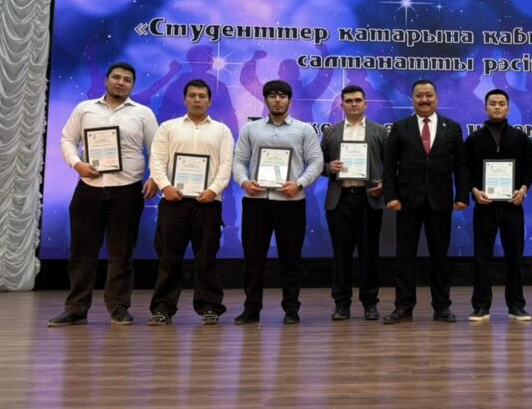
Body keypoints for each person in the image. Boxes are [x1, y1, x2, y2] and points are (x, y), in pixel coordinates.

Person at [49, 62, 158, 327]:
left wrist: (155, 176)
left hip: (127, 190)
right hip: (89, 189)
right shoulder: (85, 109)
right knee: (82, 252)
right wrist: (77, 164)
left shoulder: (143, 113)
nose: (121, 82)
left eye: (127, 79)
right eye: (116, 77)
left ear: (133, 85)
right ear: (106, 80)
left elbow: (157, 149)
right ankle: (76, 309)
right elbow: (67, 139)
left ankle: (119, 308)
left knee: (121, 254)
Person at [231, 80, 323, 325]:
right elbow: (238, 160)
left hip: (291, 202)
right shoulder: (251, 129)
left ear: (290, 101)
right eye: (272, 96)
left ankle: (291, 309)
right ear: (265, 100)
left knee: (291, 258)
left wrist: (299, 184)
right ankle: (251, 310)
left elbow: (316, 162)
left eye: (282, 96)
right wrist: (244, 182)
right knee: (253, 259)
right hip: (256, 201)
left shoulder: (304, 130)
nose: (278, 100)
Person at [146, 79, 234, 325]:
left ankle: (210, 307)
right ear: (185, 99)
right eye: (192, 95)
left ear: (209, 101)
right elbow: (157, 160)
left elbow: (226, 164)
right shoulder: (168, 127)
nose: (197, 99)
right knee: (168, 258)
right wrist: (165, 186)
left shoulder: (222, 131)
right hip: (174, 201)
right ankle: (162, 308)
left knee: (207, 258)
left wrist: (214, 189)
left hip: (208, 202)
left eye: (202, 96)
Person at [382, 79, 469, 324]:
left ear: (436, 98)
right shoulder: (400, 127)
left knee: (440, 256)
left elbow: (461, 166)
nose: (424, 100)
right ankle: (403, 307)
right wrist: (391, 196)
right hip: (407, 201)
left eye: (429, 95)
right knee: (405, 256)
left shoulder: (452, 127)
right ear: (412, 99)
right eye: (419, 95)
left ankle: (442, 307)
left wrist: (462, 195)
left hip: (440, 201)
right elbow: (389, 166)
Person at [464, 89, 532, 322]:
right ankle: (481, 307)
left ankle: (516, 306)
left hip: (513, 206)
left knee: (514, 257)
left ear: (508, 108)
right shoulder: (474, 139)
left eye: (501, 103)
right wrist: (474, 191)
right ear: (485, 108)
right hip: (484, 205)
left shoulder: (521, 138)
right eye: (492, 103)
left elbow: (529, 169)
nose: (497, 107)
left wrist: (523, 190)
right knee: (482, 258)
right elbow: (465, 170)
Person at [320, 85, 388, 321]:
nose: (354, 104)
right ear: (342, 105)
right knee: (341, 254)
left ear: (365, 104)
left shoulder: (380, 132)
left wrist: (385, 184)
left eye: (358, 100)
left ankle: (370, 303)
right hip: (340, 200)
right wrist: (329, 168)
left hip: (369, 198)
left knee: (369, 254)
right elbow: (318, 164)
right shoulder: (331, 132)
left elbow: (391, 165)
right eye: (349, 101)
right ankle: (341, 304)